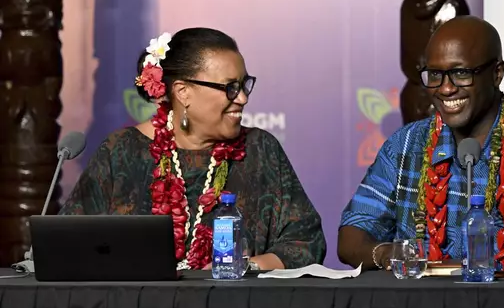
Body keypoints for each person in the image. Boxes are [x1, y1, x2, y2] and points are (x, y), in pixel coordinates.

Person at [338, 16, 504, 272]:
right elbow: (351, 237)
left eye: (461, 73)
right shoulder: (405, 146)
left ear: (496, 73)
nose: (445, 88)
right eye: (434, 74)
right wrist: (386, 253)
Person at [60, 28, 326, 271]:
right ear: (183, 92)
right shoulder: (120, 151)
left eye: (244, 85)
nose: (243, 98)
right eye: (230, 87)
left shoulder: (260, 149)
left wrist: (246, 266)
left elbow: (306, 242)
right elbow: (67, 242)